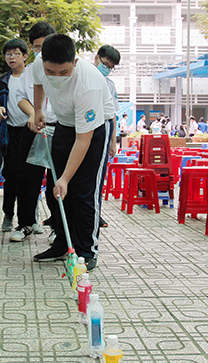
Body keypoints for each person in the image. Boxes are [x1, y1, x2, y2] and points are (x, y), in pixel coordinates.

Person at [31, 34, 114, 271]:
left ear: (75, 63)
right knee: (55, 191)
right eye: (51, 72)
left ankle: (87, 249)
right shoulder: (40, 64)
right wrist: (38, 110)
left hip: (94, 129)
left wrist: (66, 178)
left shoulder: (88, 85)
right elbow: (38, 83)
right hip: (64, 125)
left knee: (83, 191)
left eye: (63, 72)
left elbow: (83, 139)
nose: (56, 78)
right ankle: (63, 243)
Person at [14, 21, 57, 242]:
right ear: (31, 48)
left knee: (56, 181)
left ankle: (57, 226)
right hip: (33, 129)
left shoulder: (62, 68)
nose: (41, 51)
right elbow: (20, 97)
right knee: (28, 179)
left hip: (57, 130)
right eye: (37, 47)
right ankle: (25, 223)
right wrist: (33, 113)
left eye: (45, 46)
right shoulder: (29, 71)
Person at [0, 38, 29, 233]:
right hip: (10, 133)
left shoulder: (32, 79)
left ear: (25, 56)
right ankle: (8, 215)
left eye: (16, 53)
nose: (11, 57)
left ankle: (30, 218)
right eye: (8, 54)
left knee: (29, 177)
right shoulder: (3, 80)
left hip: (30, 131)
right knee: (11, 175)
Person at [95, 44, 120, 228]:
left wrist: (113, 142)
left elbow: (113, 116)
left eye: (111, 67)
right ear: (97, 58)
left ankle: (96, 212)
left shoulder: (110, 85)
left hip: (103, 134)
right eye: (105, 64)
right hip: (84, 131)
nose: (107, 69)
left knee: (99, 176)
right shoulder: (82, 77)